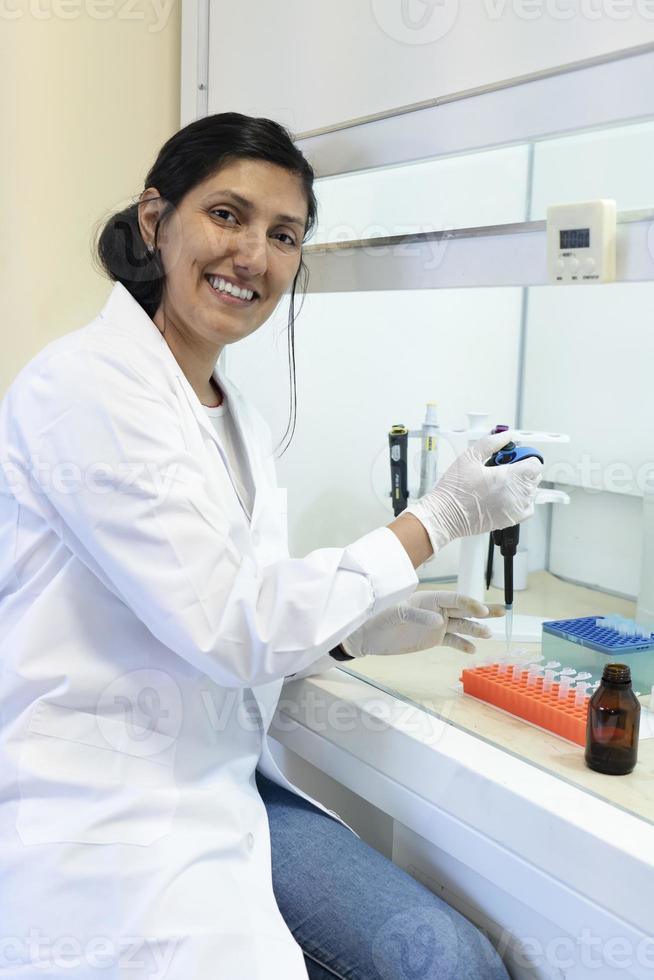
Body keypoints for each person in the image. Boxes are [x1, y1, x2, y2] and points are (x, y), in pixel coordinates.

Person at [0, 113, 542, 980]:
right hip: (108, 815)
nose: (253, 254)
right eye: (227, 215)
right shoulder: (85, 391)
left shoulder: (230, 410)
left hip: (223, 786)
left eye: (283, 234)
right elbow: (228, 624)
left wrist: (349, 633)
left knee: (448, 961)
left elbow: (223, 600)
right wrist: (435, 520)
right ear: (155, 221)